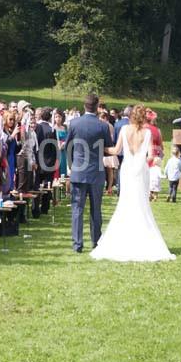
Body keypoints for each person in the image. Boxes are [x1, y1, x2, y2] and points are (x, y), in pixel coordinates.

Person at [91, 104, 174, 262]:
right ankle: (142, 237)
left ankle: (124, 238)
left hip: (127, 169)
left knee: (126, 201)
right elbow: (151, 156)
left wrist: (102, 147)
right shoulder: (147, 133)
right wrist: (143, 160)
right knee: (141, 202)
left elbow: (115, 151)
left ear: (131, 116)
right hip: (141, 169)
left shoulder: (124, 130)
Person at [65, 94, 114, 253]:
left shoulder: (74, 123)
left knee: (77, 209)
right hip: (96, 171)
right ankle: (96, 241)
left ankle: (77, 244)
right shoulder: (103, 126)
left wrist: (72, 166)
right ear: (97, 106)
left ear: (84, 105)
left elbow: (68, 147)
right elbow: (108, 148)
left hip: (78, 170)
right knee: (96, 209)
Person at [34, 107, 57, 214]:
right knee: (47, 185)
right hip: (48, 162)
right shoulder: (51, 130)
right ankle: (45, 207)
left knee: (36, 185)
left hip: (37, 161)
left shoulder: (36, 128)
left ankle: (35, 208)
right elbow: (54, 148)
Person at [53, 110, 68, 178]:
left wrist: (65, 143)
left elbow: (67, 138)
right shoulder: (53, 128)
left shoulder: (64, 128)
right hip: (56, 150)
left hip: (63, 149)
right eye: (56, 117)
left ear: (62, 118)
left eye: (59, 117)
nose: (58, 118)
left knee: (63, 165)